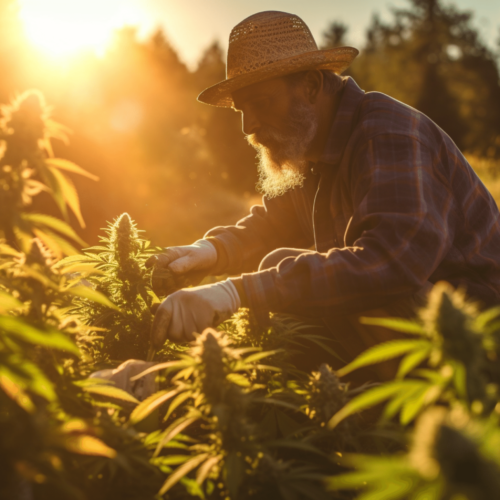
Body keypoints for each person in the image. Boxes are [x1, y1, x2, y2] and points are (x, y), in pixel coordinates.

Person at [147, 11, 500, 379]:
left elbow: (391, 264)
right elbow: (274, 225)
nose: (247, 126)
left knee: (306, 283)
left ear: (312, 86)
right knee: (283, 270)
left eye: (261, 103)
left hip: (477, 343)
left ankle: (400, 421)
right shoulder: (315, 151)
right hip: (423, 336)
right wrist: (208, 253)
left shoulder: (389, 135)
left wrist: (235, 293)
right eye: (241, 109)